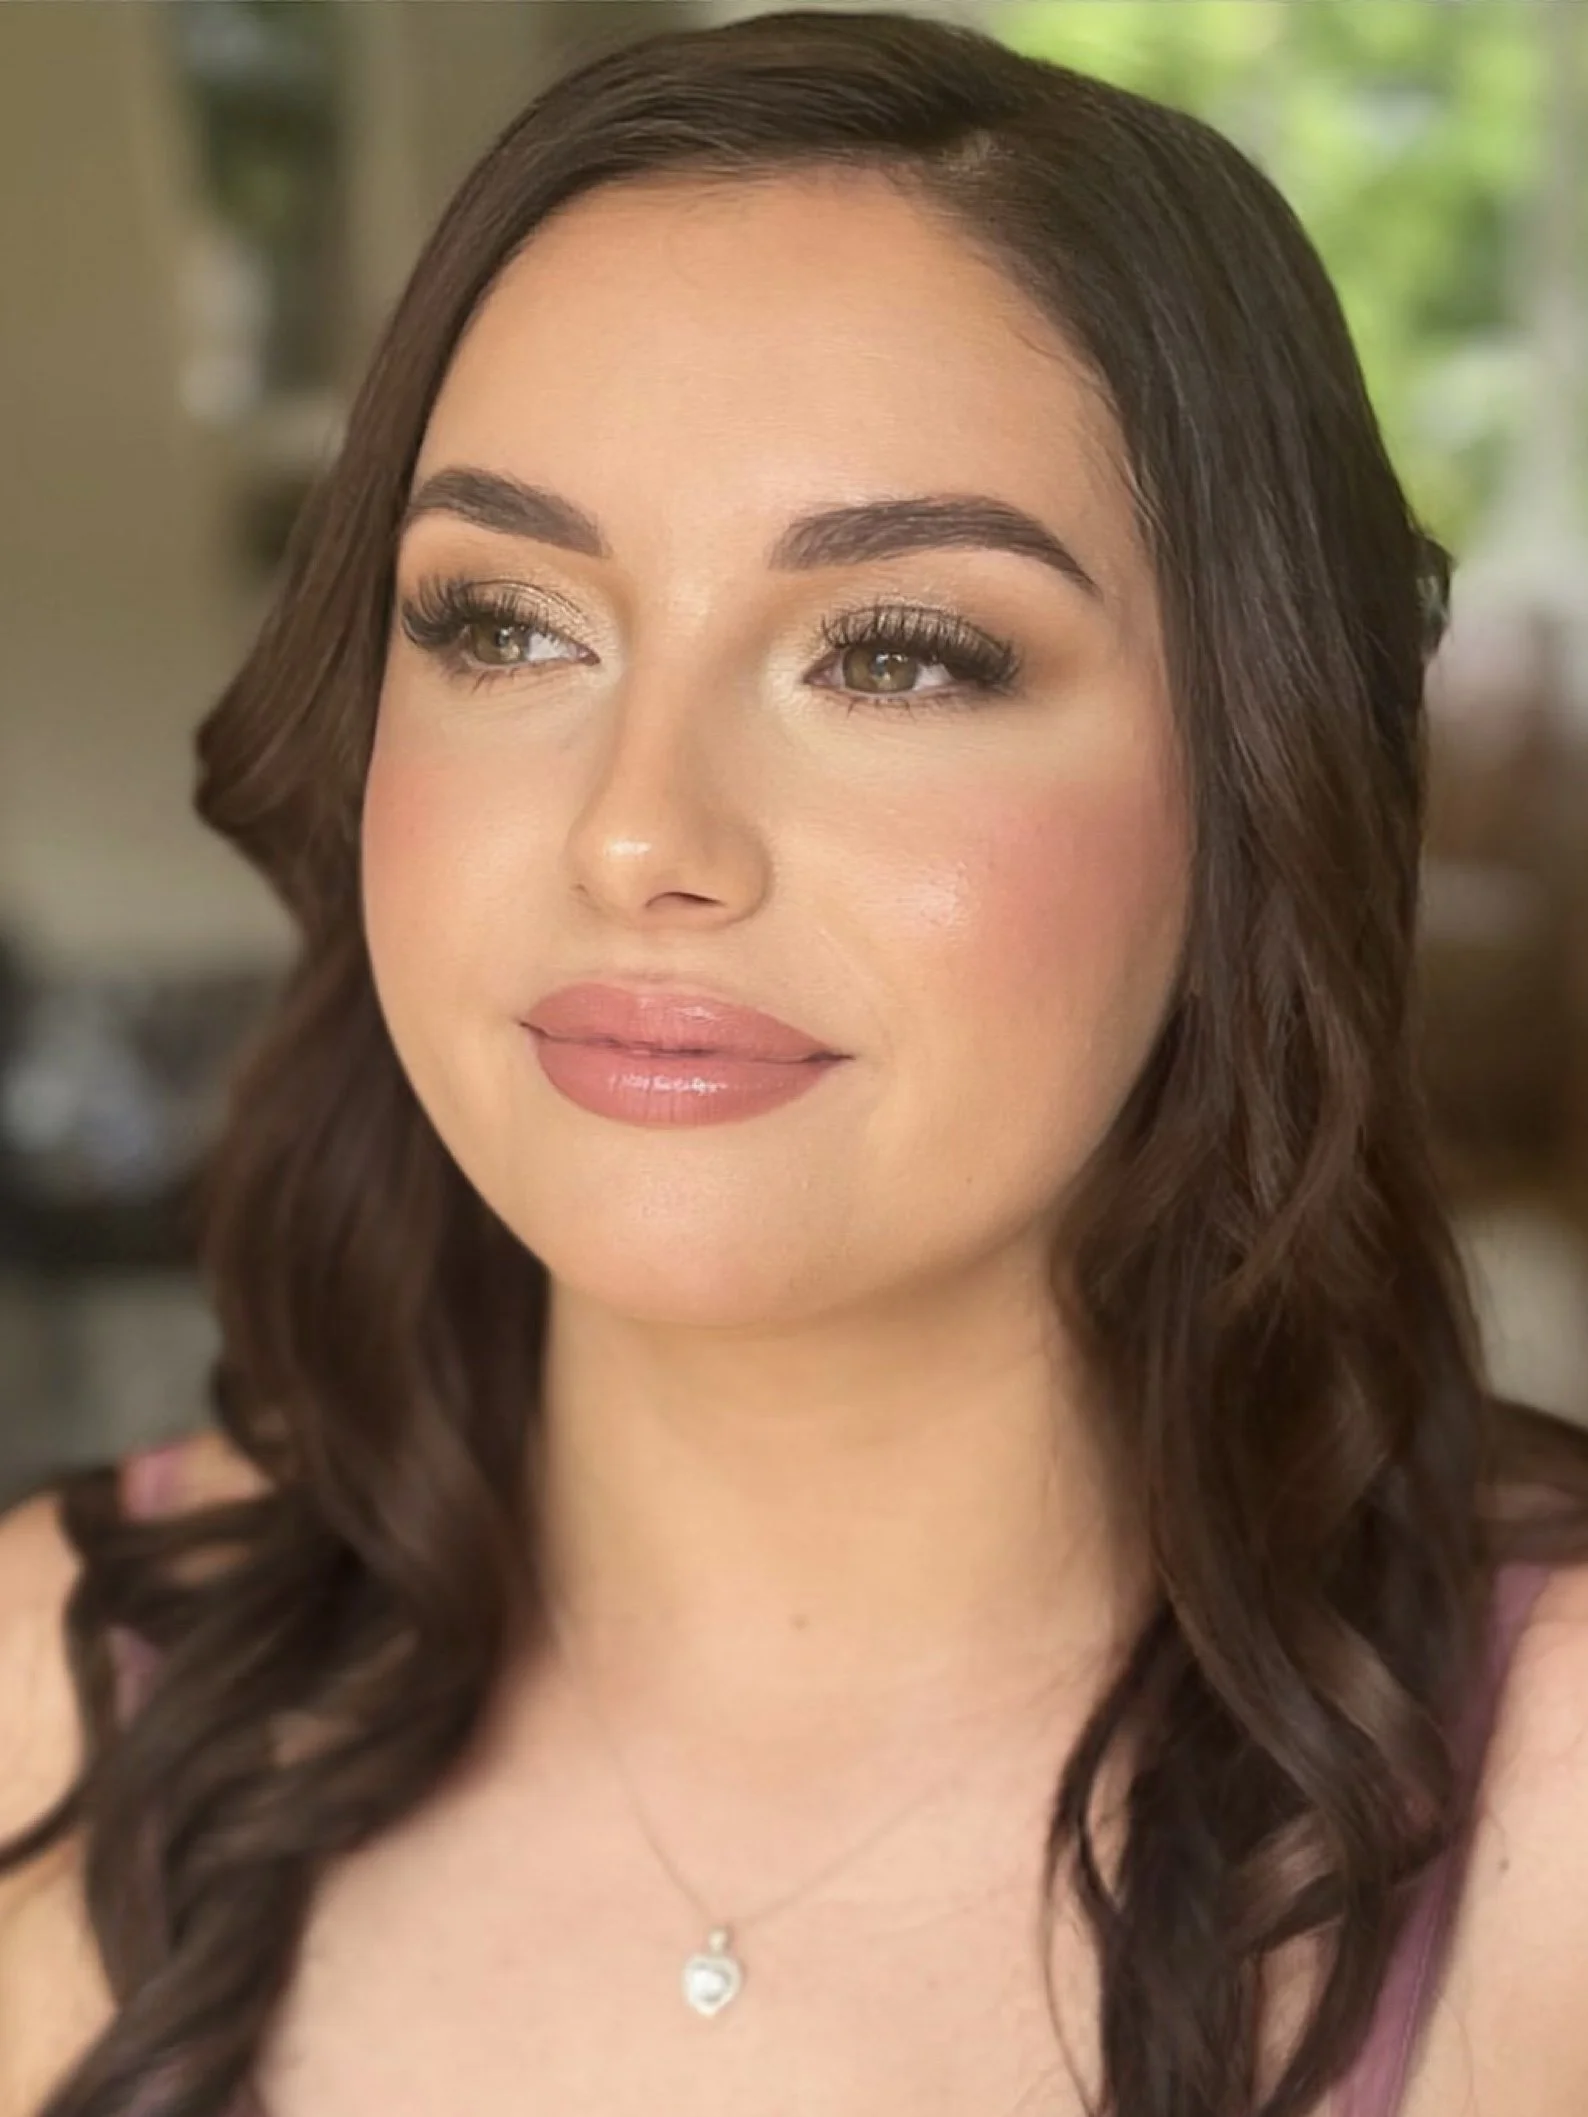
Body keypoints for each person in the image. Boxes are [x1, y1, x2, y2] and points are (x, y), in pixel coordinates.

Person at [2, 9, 1586, 2115]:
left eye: (896, 652)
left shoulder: (1545, 1808)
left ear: (1251, 781)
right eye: (502, 622)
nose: (637, 830)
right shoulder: (48, 1692)